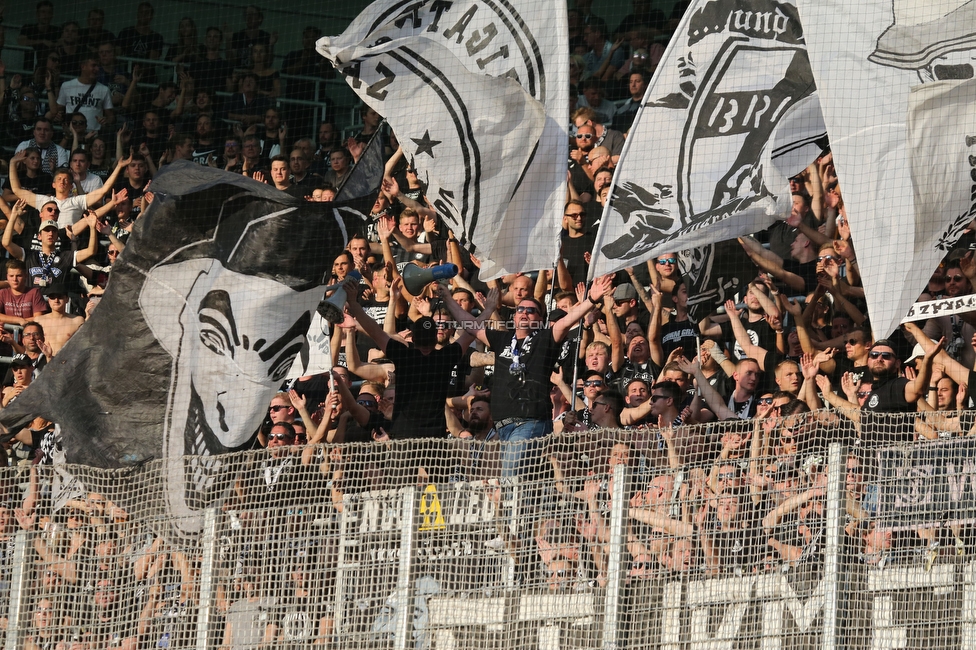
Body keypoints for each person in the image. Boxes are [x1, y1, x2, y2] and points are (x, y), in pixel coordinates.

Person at [441, 275, 613, 476]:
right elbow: (470, 324)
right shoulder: (502, 339)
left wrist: (590, 300)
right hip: (502, 427)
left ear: (540, 320)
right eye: (520, 309)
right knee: (519, 484)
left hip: (530, 422)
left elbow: (566, 322)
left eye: (531, 311)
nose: (524, 313)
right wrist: (448, 299)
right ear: (514, 317)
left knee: (509, 478)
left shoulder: (545, 338)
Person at [55, 54, 115, 133]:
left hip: (94, 137)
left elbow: (111, 117)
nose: (97, 69)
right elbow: (58, 111)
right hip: (71, 135)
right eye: (93, 65)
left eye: (98, 66)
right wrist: (58, 116)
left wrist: (106, 121)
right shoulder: (67, 86)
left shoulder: (104, 89)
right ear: (83, 66)